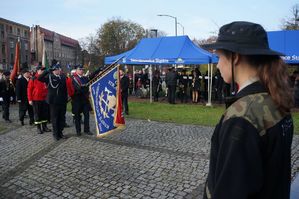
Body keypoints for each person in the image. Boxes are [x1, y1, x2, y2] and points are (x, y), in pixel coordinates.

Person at [202, 21, 294, 199]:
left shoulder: (243, 117)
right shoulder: (275, 99)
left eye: (220, 57)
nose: (218, 65)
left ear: (235, 57)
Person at [68, 64, 102, 136]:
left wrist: (98, 70)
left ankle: (86, 130)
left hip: (85, 100)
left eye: (82, 69)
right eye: (80, 69)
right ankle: (78, 131)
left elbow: (91, 76)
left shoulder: (85, 78)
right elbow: (75, 89)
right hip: (76, 100)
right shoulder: (73, 78)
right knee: (77, 117)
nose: (82, 71)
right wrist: (82, 88)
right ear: (76, 70)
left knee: (87, 116)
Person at [38, 64, 68, 140]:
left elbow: (65, 89)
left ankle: (60, 133)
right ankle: (55, 134)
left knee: (61, 118)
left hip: (62, 101)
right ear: (54, 70)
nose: (58, 70)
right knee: (55, 118)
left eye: (59, 69)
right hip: (53, 102)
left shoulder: (63, 77)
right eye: (56, 69)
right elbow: (40, 78)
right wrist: (47, 71)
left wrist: (66, 98)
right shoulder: (49, 77)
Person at [27, 65, 51, 134]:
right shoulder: (33, 78)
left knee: (44, 113)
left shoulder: (46, 78)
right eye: (41, 70)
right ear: (38, 71)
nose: (43, 71)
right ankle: (38, 128)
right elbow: (29, 89)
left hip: (45, 99)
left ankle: (44, 127)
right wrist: (30, 99)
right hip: (36, 99)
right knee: (37, 114)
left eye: (43, 70)